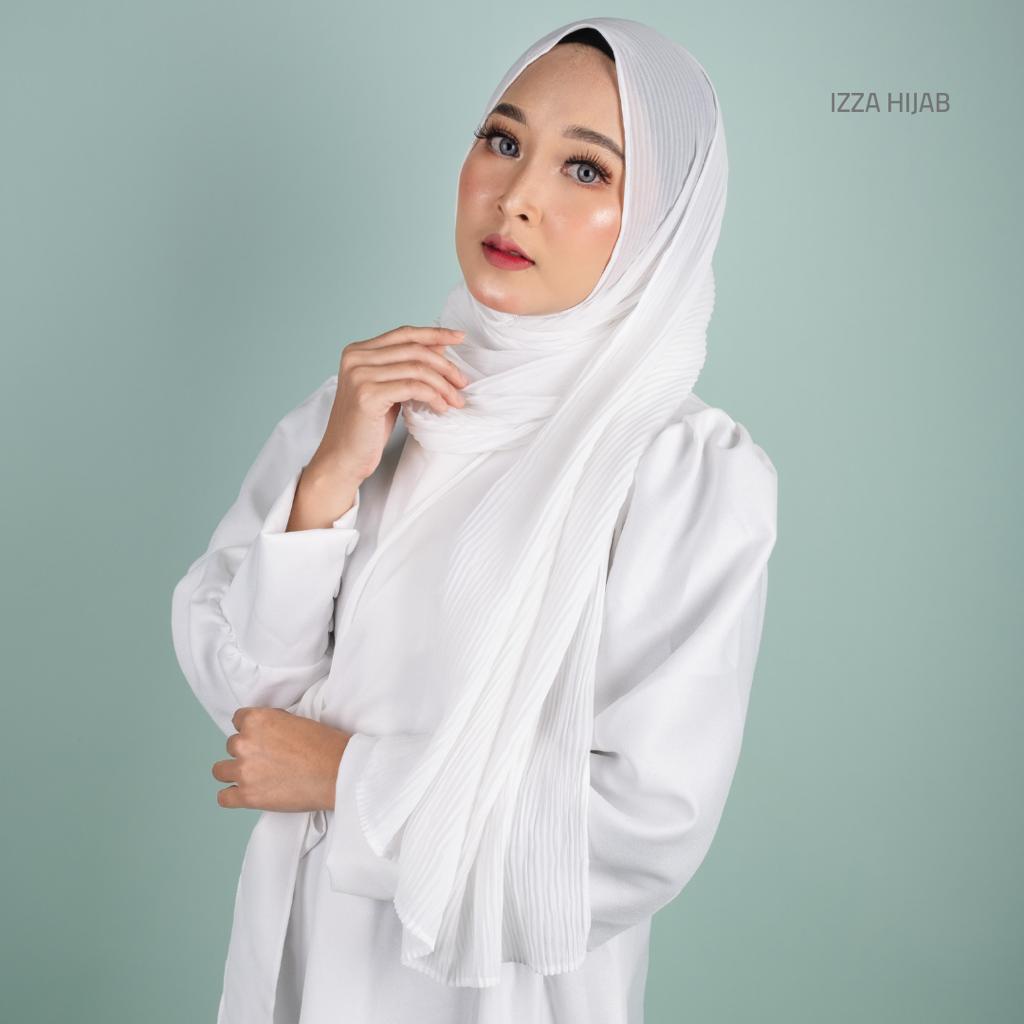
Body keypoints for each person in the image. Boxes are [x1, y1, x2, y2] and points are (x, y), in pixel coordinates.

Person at [171, 17, 779, 1024]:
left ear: (662, 221)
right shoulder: (366, 403)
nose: (517, 195)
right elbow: (253, 709)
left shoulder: (680, 473)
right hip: (297, 964)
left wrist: (347, 778)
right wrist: (328, 483)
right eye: (502, 140)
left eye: (586, 170)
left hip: (496, 996)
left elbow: (640, 828)